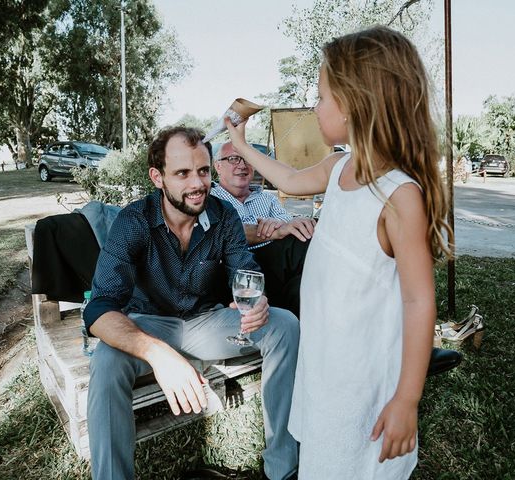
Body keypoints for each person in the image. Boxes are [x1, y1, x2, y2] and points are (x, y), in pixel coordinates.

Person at [226, 26, 453, 479]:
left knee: (352, 465)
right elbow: (288, 179)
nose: (314, 106)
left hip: (362, 380)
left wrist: (407, 399)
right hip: (324, 362)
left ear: (355, 105)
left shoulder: (398, 196)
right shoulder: (338, 167)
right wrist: (241, 146)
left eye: (322, 97)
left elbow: (418, 301)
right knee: (322, 458)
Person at [83, 126, 299, 480]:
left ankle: (282, 469)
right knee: (106, 361)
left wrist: (255, 301)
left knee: (285, 325)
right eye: (182, 173)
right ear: (158, 177)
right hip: (147, 324)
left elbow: (243, 272)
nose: (197, 183)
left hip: (205, 321)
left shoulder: (223, 215)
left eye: (202, 171)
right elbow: (99, 308)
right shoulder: (133, 221)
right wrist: (158, 355)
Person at [211, 141, 315, 317]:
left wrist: (285, 225)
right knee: (298, 244)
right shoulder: (209, 198)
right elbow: (220, 233)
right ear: (218, 166)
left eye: (247, 160)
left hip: (275, 267)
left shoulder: (267, 199)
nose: (242, 165)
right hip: (234, 266)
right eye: (234, 159)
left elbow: (288, 224)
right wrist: (271, 230)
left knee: (305, 241)